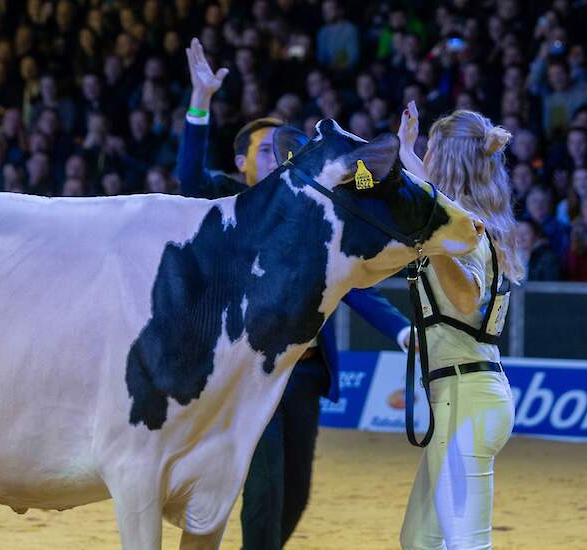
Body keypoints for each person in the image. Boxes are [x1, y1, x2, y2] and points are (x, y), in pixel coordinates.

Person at [176, 37, 411, 550]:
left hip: (302, 373)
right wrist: (200, 102)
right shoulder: (227, 205)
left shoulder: (310, 215)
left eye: (286, 147)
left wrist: (400, 331)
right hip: (247, 373)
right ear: (242, 163)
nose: (281, 154)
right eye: (266, 149)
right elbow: (189, 178)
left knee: (296, 493)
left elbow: (353, 285)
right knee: (263, 487)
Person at [397, 101, 521, 550]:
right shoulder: (470, 222)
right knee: (419, 540)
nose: (423, 159)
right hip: (466, 395)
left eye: (429, 150)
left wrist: (434, 245)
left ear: (445, 161)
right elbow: (428, 191)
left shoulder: (460, 231)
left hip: (464, 400)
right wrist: (406, 148)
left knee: (465, 545)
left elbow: (467, 298)